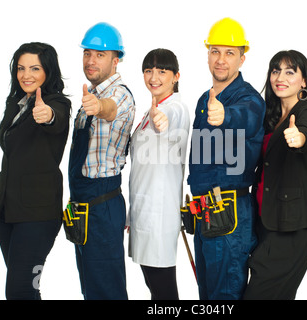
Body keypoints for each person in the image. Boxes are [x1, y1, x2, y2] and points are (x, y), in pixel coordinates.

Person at [187, 17, 266, 300]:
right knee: (206, 295)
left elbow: (246, 118)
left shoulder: (250, 100)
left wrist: (225, 116)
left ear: (242, 58)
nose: (221, 60)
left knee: (226, 296)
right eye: (215, 51)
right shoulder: (201, 102)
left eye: (230, 53)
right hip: (204, 212)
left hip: (231, 215)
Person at [0, 42, 71, 299]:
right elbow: (9, 161)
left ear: (48, 71)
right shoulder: (16, 103)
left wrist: (48, 115)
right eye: (21, 68)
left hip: (37, 215)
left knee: (21, 289)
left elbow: (56, 119)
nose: (26, 75)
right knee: (21, 290)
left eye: (35, 68)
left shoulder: (57, 103)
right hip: (8, 214)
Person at [243, 50, 307, 300]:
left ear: (304, 81)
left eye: (290, 71)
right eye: (275, 70)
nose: (280, 77)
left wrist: (299, 137)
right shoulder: (269, 116)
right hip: (262, 223)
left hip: (289, 230)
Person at [68, 22, 135, 300]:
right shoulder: (89, 95)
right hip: (82, 205)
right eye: (88, 54)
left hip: (102, 206)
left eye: (100, 55)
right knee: (91, 291)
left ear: (115, 59)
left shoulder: (118, 94)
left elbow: (111, 109)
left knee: (108, 291)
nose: (91, 60)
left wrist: (100, 107)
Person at [128, 48, 190, 300]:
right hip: (143, 213)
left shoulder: (176, 107)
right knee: (154, 287)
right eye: (148, 70)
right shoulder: (149, 111)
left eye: (162, 71)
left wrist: (162, 120)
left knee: (164, 291)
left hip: (159, 215)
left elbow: (168, 118)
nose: (154, 77)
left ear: (175, 76)